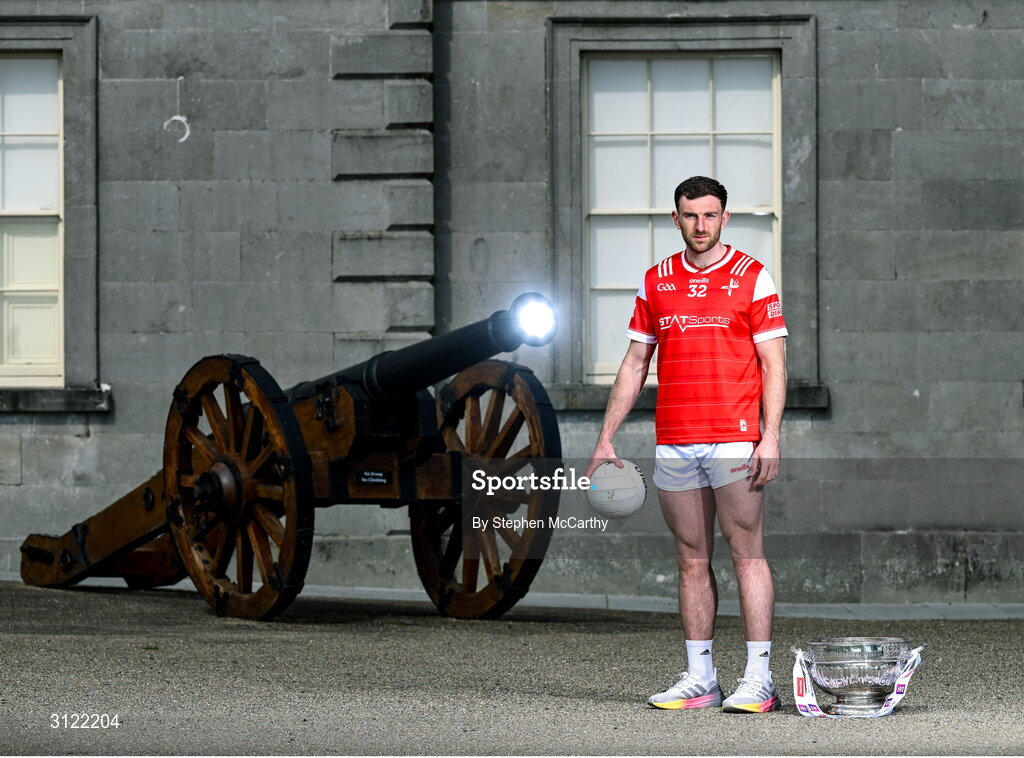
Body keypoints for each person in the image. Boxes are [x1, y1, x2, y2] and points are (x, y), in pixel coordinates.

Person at [585, 176, 787, 714]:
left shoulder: (753, 276)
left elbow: (774, 364)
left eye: (710, 215)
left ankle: (759, 680)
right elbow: (635, 363)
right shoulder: (656, 281)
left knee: (748, 555)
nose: (701, 225)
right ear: (676, 219)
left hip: (734, 438)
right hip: (675, 440)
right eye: (691, 215)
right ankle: (701, 679)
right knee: (690, 560)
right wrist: (605, 438)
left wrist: (770, 434)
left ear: (725, 218)